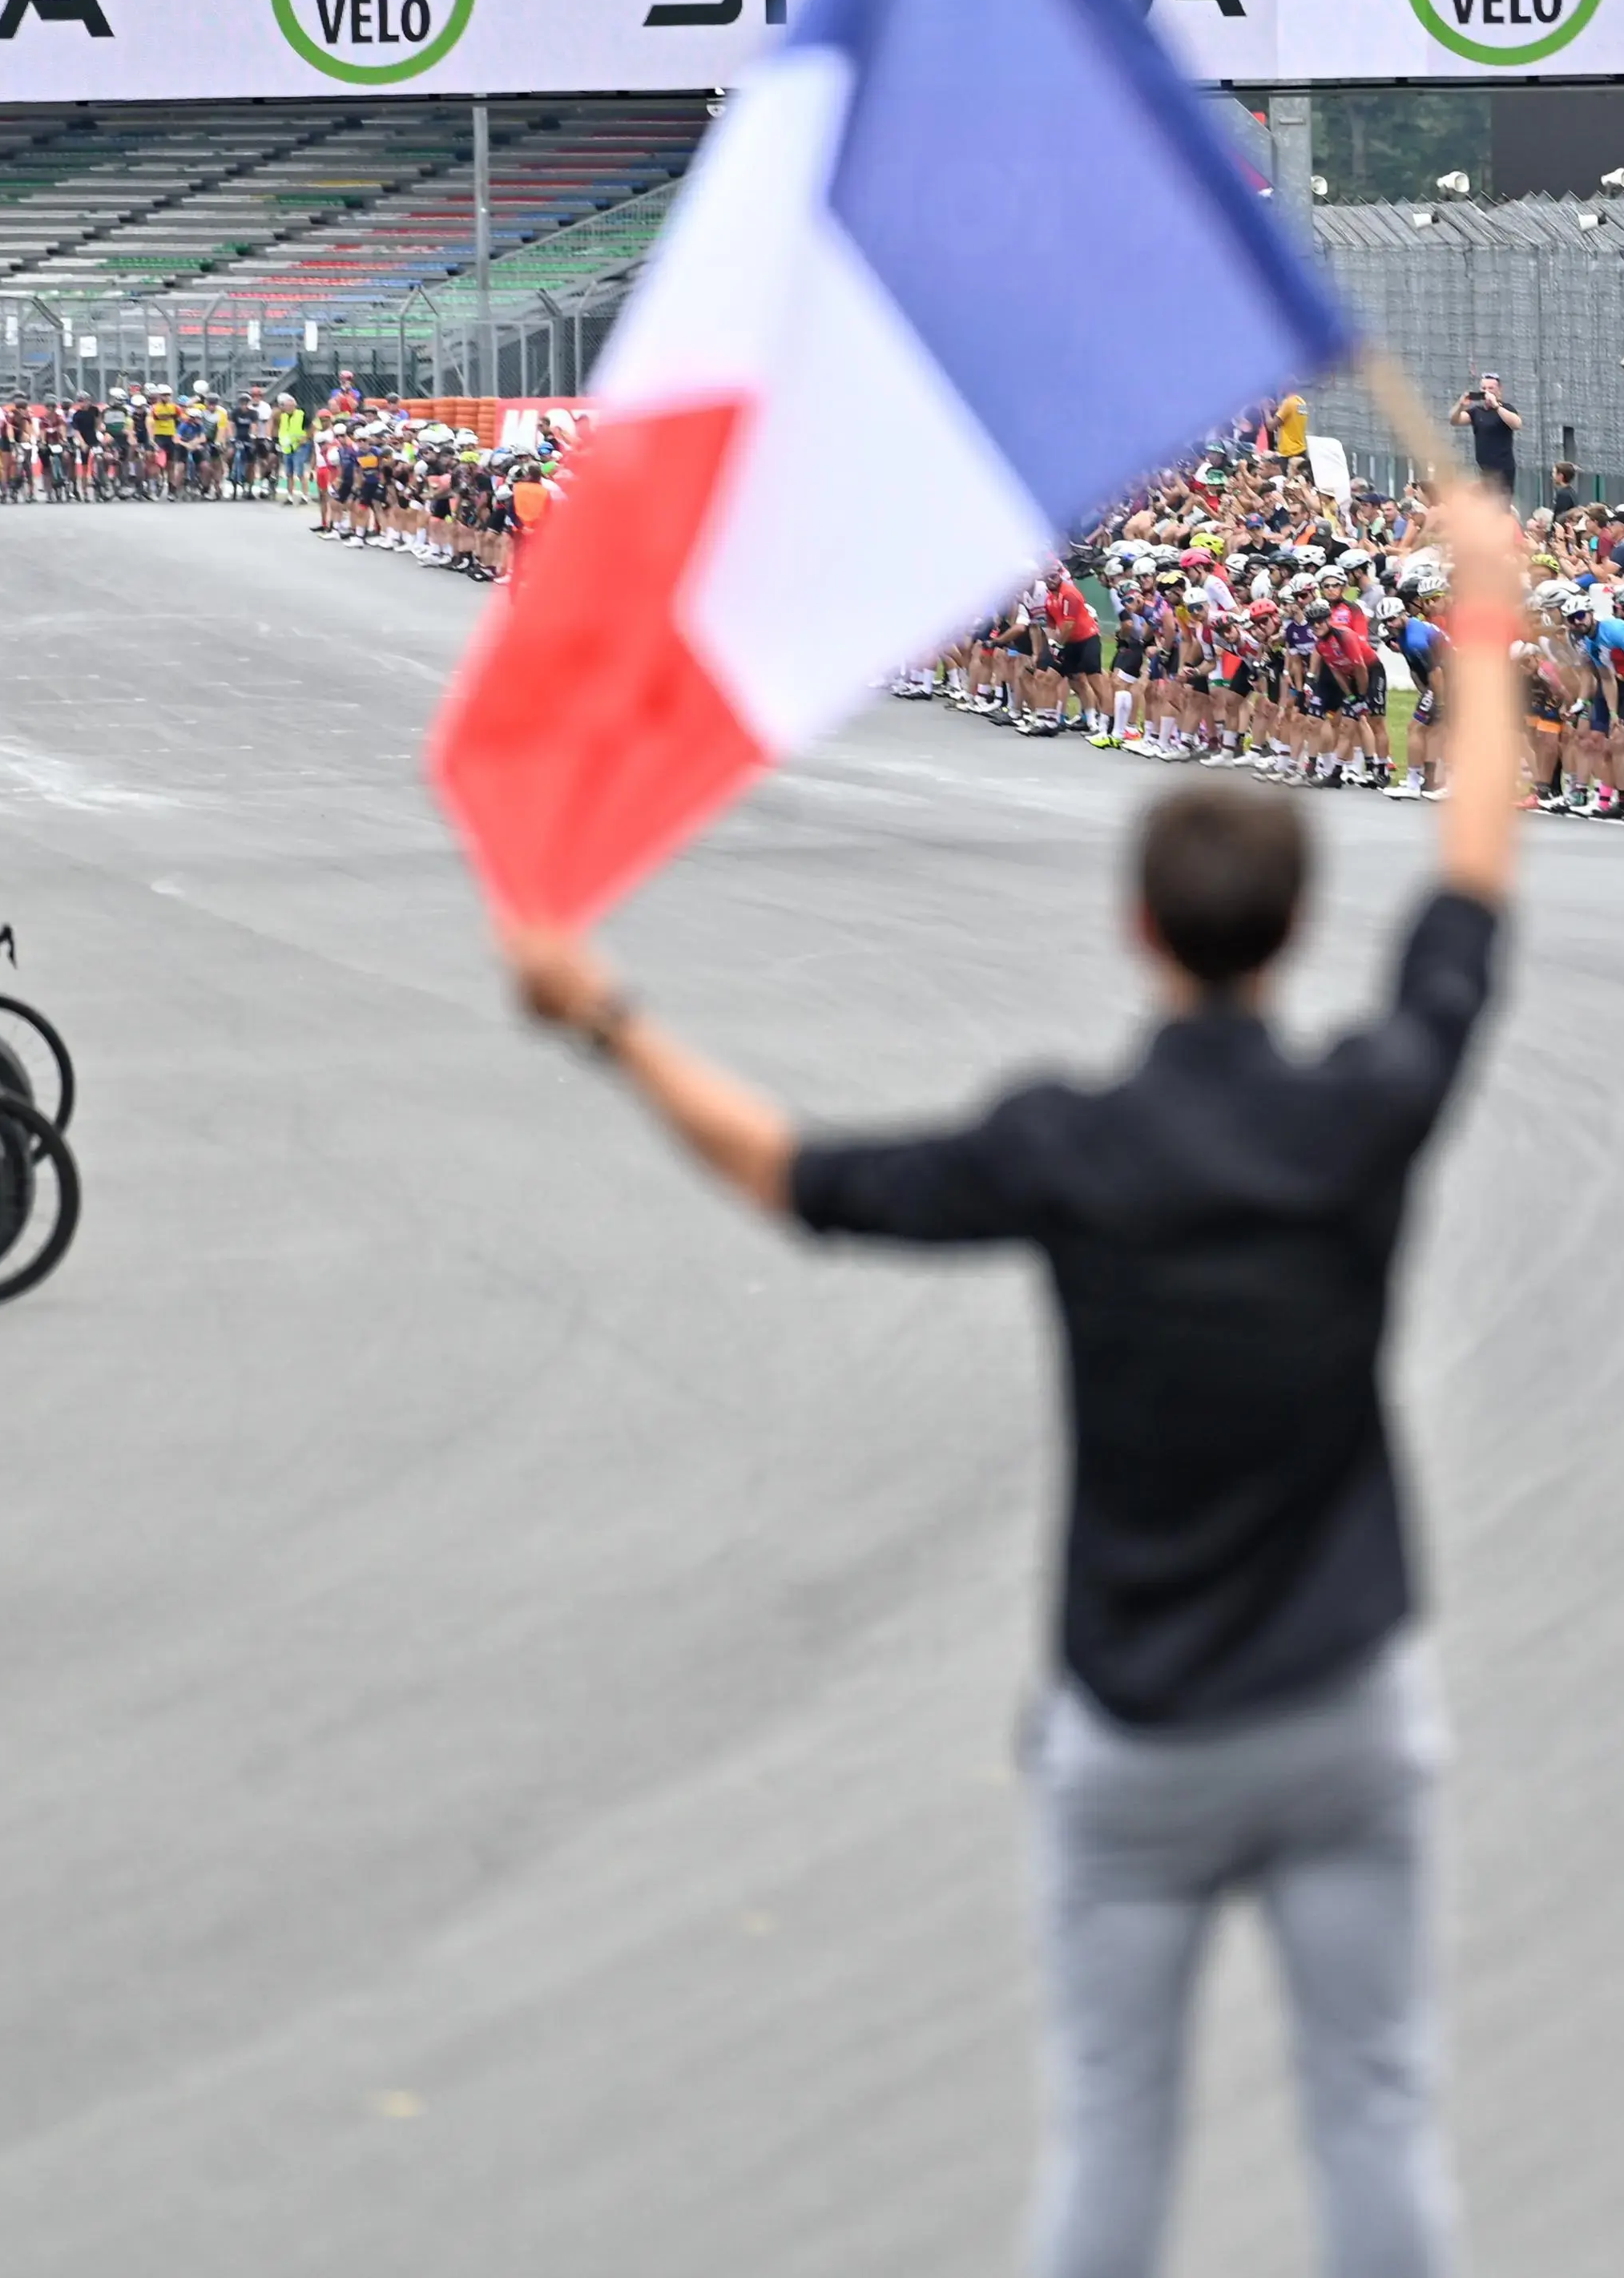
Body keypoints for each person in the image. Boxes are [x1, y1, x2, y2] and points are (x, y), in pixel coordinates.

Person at [499, 482, 1529, 2278]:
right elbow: (1471, 882)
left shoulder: (1072, 1144)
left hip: (1132, 1717)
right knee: (1375, 2104)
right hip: (1342, 1696)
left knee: (1110, 2130)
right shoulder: (1356, 1114)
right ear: (1286, 935)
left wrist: (608, 1021)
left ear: (1140, 928)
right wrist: (1485, 613)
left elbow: (800, 1177)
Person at [1446, 373, 1519, 493]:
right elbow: (1454, 420)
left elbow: (1516, 424)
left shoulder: (1506, 409)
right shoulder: (1477, 412)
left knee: (1499, 504)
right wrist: (1460, 406)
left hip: (1503, 470)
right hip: (1484, 469)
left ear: (1499, 390)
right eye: (1484, 389)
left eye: (1491, 388)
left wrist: (1496, 406)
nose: (1487, 392)